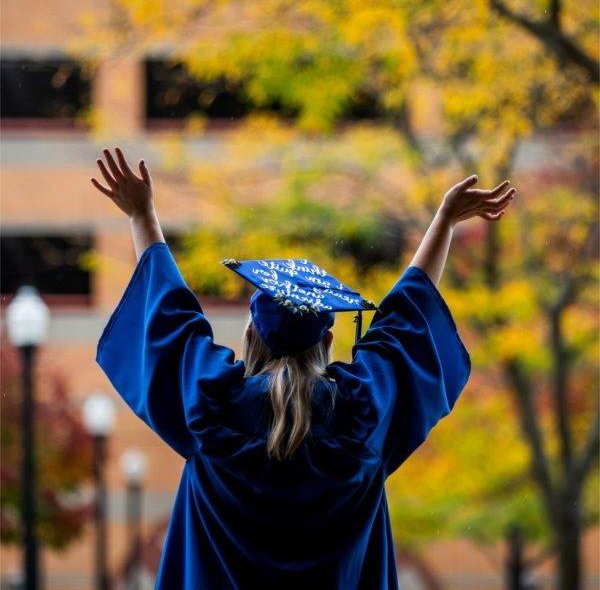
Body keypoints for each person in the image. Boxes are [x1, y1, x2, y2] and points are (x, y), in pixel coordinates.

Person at [91, 147, 516, 589]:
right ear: (327, 341)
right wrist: (443, 222)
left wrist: (142, 216)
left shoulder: (210, 408)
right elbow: (406, 322)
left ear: (251, 337)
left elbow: (168, 320)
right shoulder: (363, 416)